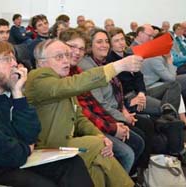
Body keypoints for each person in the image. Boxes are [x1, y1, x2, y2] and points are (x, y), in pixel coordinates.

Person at [0, 41, 93, 187]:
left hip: (13, 160)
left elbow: (32, 133)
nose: (14, 64)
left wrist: (17, 93)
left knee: (71, 164)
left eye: (14, 58)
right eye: (7, 59)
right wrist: (26, 148)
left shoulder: (8, 91)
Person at [25, 38, 143, 187]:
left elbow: (79, 117)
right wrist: (118, 66)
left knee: (97, 166)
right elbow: (74, 84)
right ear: (42, 62)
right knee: (98, 146)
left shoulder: (62, 80)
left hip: (65, 142)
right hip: (47, 148)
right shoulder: (37, 78)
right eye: (59, 56)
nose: (66, 60)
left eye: (67, 55)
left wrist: (99, 135)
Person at [59, 28, 145, 173]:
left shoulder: (82, 69)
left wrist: (118, 118)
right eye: (72, 47)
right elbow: (88, 111)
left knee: (139, 138)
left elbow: (92, 104)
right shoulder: (78, 69)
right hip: (73, 131)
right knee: (127, 152)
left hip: (98, 119)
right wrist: (113, 126)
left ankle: (132, 175)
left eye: (80, 48)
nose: (77, 52)